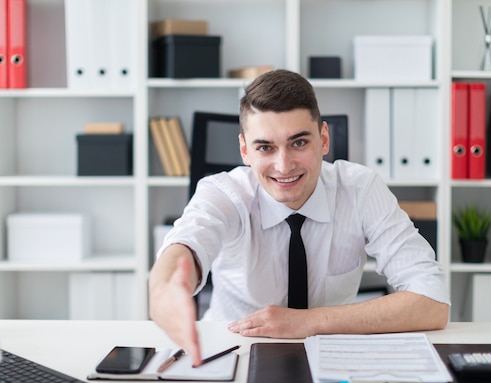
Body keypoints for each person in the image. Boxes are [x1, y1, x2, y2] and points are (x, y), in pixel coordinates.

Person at [148, 69, 450, 365]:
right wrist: (167, 289)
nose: (283, 165)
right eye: (265, 147)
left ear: (324, 139)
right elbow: (187, 242)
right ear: (244, 150)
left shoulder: (360, 189)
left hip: (331, 355)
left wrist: (307, 322)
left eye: (299, 143)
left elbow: (433, 302)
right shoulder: (224, 192)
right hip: (233, 354)